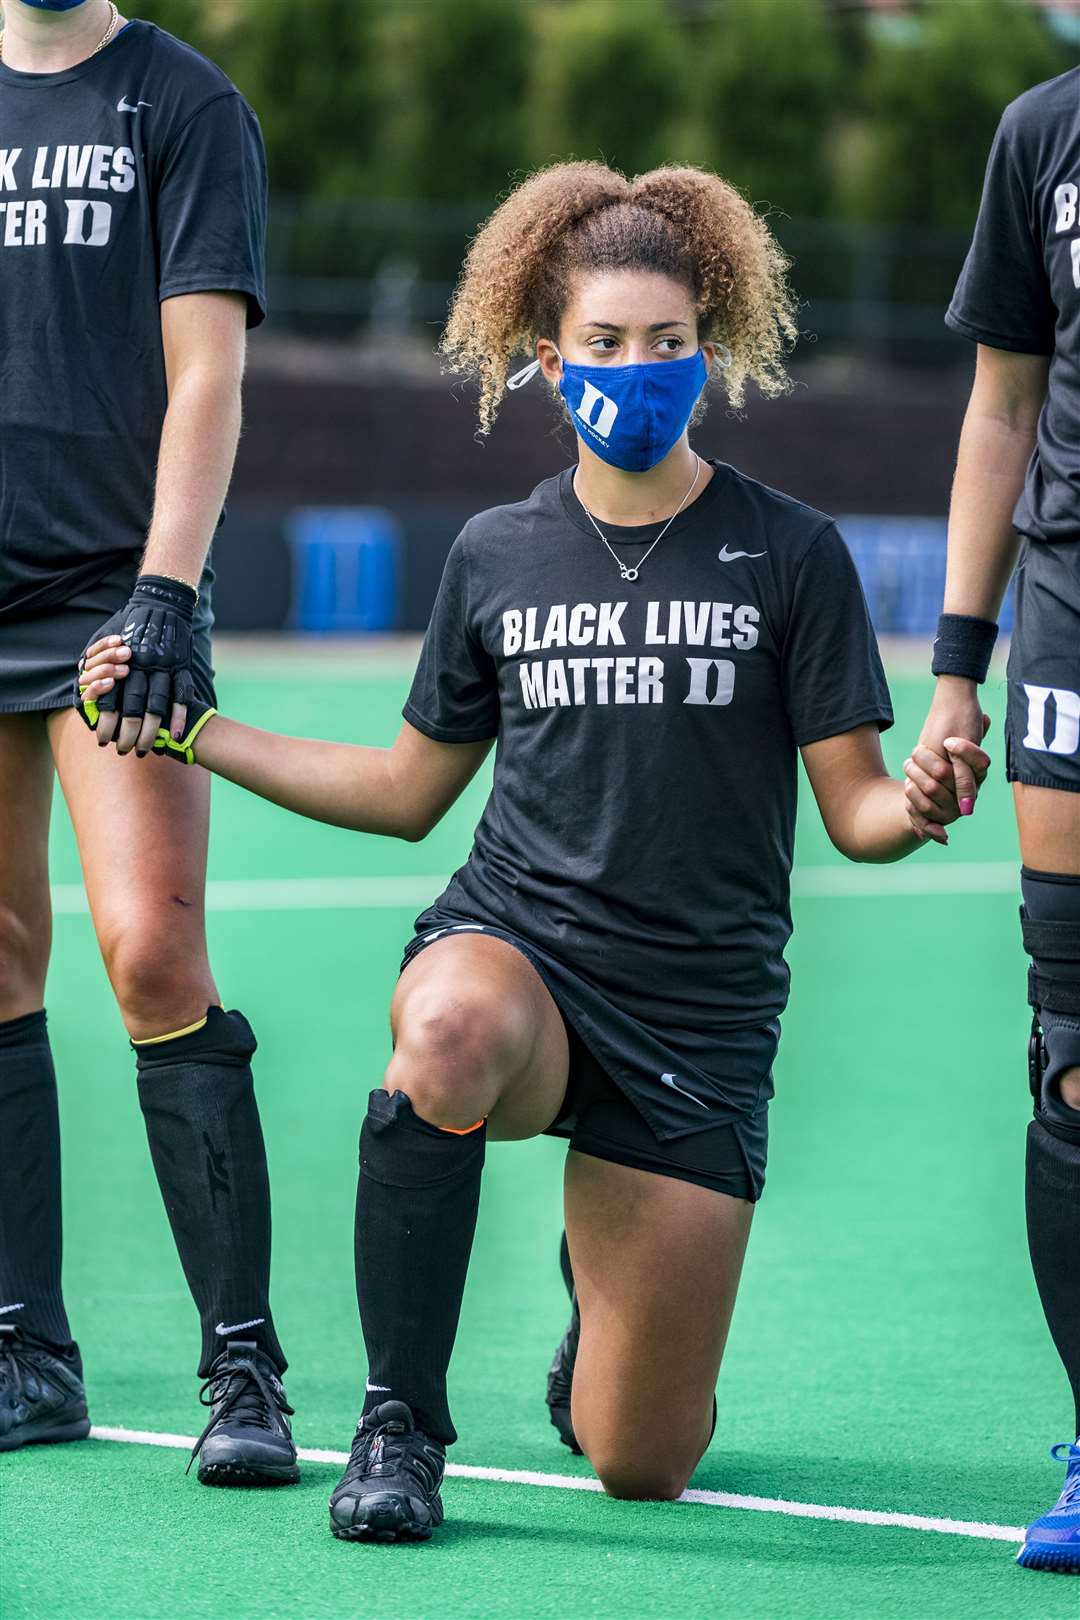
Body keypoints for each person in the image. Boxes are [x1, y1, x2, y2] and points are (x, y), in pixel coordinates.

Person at [82, 160, 989, 1543]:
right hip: (523, 958)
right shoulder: (498, 556)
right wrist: (196, 734)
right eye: (607, 345)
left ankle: (601, 1302)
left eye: (669, 343)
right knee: (441, 1031)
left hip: (699, 1020)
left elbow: (856, 816)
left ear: (715, 345)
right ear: (549, 362)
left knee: (640, 1464)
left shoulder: (790, 553)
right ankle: (401, 1426)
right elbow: (403, 792)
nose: (640, 370)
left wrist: (919, 801)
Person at [0, 0, 298, 1486]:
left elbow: (206, 373)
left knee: (152, 954)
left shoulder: (181, 103)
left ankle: (244, 1367)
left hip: (109, 600)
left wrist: (166, 588)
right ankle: (24, 1351)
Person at [904, 66, 1080, 1577]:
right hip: (1073, 628)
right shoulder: (1040, 130)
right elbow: (1003, 405)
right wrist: (957, 668)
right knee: (1076, 1054)